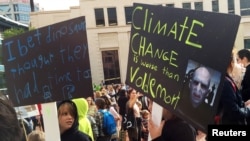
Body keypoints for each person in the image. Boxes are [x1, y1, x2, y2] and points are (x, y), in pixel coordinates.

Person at [216, 53, 250, 125]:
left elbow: (231, 103)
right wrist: (248, 109)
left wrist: (244, 104)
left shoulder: (226, 79)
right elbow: (234, 112)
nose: (240, 64)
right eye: (236, 61)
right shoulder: (226, 83)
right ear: (231, 63)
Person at [177, 66, 213, 131]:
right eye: (195, 83)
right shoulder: (177, 102)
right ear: (190, 84)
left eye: (203, 86)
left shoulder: (208, 117)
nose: (198, 89)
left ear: (207, 93)